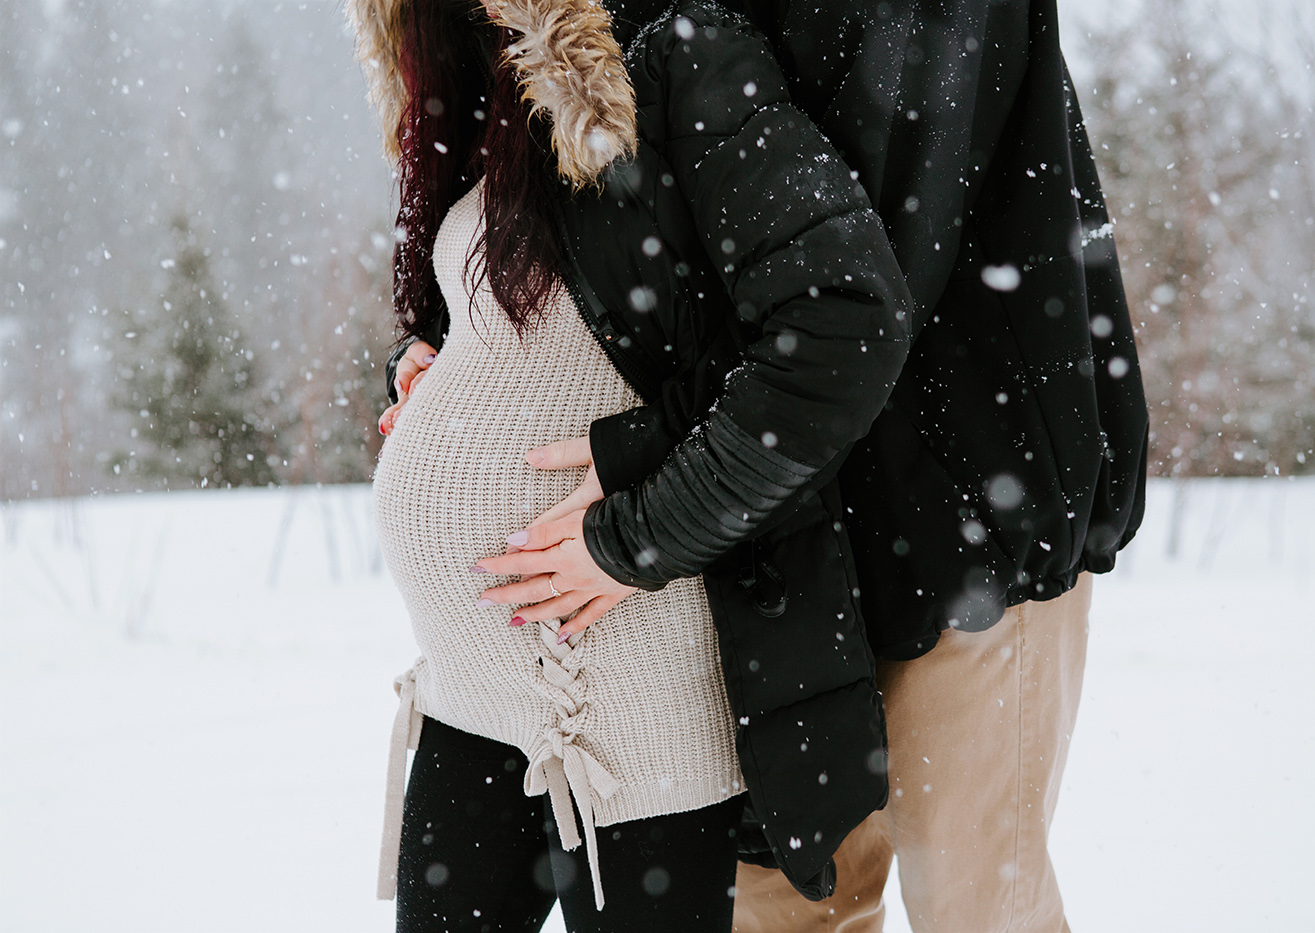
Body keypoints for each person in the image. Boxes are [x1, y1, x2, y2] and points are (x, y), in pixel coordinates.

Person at [388, 2, 1151, 931]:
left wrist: (655, 469)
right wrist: (458, 352)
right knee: (794, 909)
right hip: (777, 537)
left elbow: (861, 284)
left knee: (975, 896)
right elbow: (637, 241)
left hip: (960, 513)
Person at [353, 0, 914, 929]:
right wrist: (432, 360)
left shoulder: (683, 55)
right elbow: (544, 318)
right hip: (471, 689)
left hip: (624, 712)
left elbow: (843, 324)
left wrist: (632, 537)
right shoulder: (489, 75)